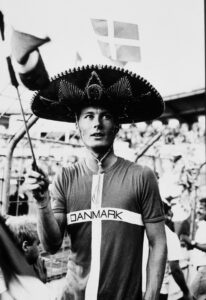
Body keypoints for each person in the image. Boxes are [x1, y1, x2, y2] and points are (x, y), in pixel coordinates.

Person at [26, 65, 167, 300]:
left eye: (106, 116)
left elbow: (158, 243)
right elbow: (51, 246)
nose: (97, 124)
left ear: (118, 126)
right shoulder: (66, 177)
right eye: (89, 116)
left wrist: (151, 297)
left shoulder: (142, 176)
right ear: (77, 124)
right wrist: (42, 202)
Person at [181, 197, 206, 300]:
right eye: (198, 208)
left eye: (202, 208)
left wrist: (193, 243)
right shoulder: (199, 224)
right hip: (197, 267)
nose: (198, 211)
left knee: (191, 295)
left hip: (204, 268)